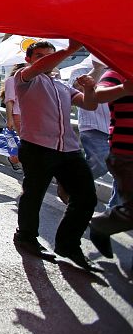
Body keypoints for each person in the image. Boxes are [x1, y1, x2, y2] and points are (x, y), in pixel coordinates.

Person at [13, 40, 101, 271]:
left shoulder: (62, 86)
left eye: (49, 56)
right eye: (39, 56)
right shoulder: (24, 78)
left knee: (86, 197)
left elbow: (89, 105)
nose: (44, 60)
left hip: (69, 149)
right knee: (34, 195)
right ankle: (26, 236)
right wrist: (70, 49)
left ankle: (68, 244)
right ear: (29, 59)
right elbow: (38, 68)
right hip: (37, 147)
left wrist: (90, 88)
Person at [89, 69, 133, 258]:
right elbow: (99, 95)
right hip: (126, 154)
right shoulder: (117, 71)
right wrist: (124, 88)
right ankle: (102, 224)